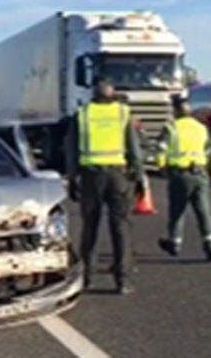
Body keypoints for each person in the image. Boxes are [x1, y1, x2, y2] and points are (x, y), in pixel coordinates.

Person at [66, 78, 146, 295]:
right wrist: (139, 175)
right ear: (113, 94)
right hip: (118, 176)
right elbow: (133, 148)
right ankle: (123, 280)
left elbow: (71, 150)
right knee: (120, 228)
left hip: (91, 177)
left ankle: (87, 278)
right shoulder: (122, 113)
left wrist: (72, 178)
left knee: (89, 228)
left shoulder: (82, 114)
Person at [156, 95, 211, 261]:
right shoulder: (201, 128)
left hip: (180, 175)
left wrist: (162, 167)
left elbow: (161, 150)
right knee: (204, 212)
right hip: (200, 173)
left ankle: (174, 243)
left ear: (176, 111)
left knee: (177, 211)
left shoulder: (171, 128)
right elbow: (208, 152)